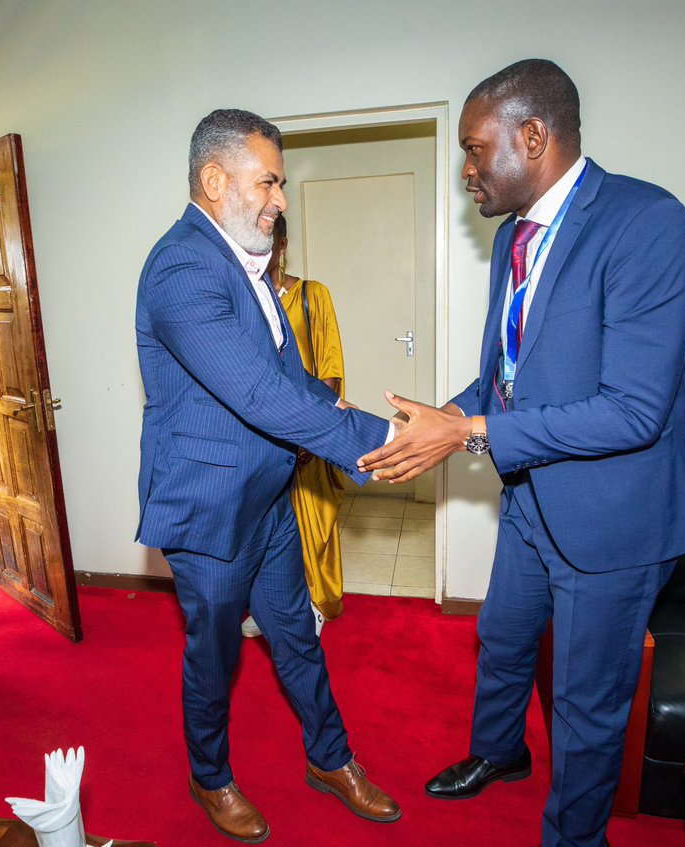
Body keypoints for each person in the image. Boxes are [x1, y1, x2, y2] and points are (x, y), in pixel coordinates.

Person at [358, 59, 685, 847]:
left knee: (587, 703)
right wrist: (450, 412)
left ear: (533, 136)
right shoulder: (515, 237)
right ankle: (500, 753)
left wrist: (471, 434)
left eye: (473, 150)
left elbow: (633, 411)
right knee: (502, 632)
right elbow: (509, 375)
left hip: (616, 515)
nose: (466, 173)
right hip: (535, 493)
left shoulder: (648, 223)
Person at [136, 108, 401, 843]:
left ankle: (331, 758)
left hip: (269, 500)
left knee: (298, 638)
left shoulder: (241, 266)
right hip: (211, 512)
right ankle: (209, 776)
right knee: (214, 657)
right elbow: (255, 395)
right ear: (215, 179)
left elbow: (288, 376)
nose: (280, 199)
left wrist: (336, 405)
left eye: (279, 183)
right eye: (271, 181)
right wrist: (377, 442)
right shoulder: (183, 266)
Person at [242, 215, 347, 639]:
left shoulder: (312, 295)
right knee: (267, 526)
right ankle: (271, 607)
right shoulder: (244, 298)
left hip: (307, 431)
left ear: (282, 245)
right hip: (263, 435)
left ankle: (315, 602)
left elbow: (330, 368)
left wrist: (309, 431)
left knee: (311, 518)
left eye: (267, 242)